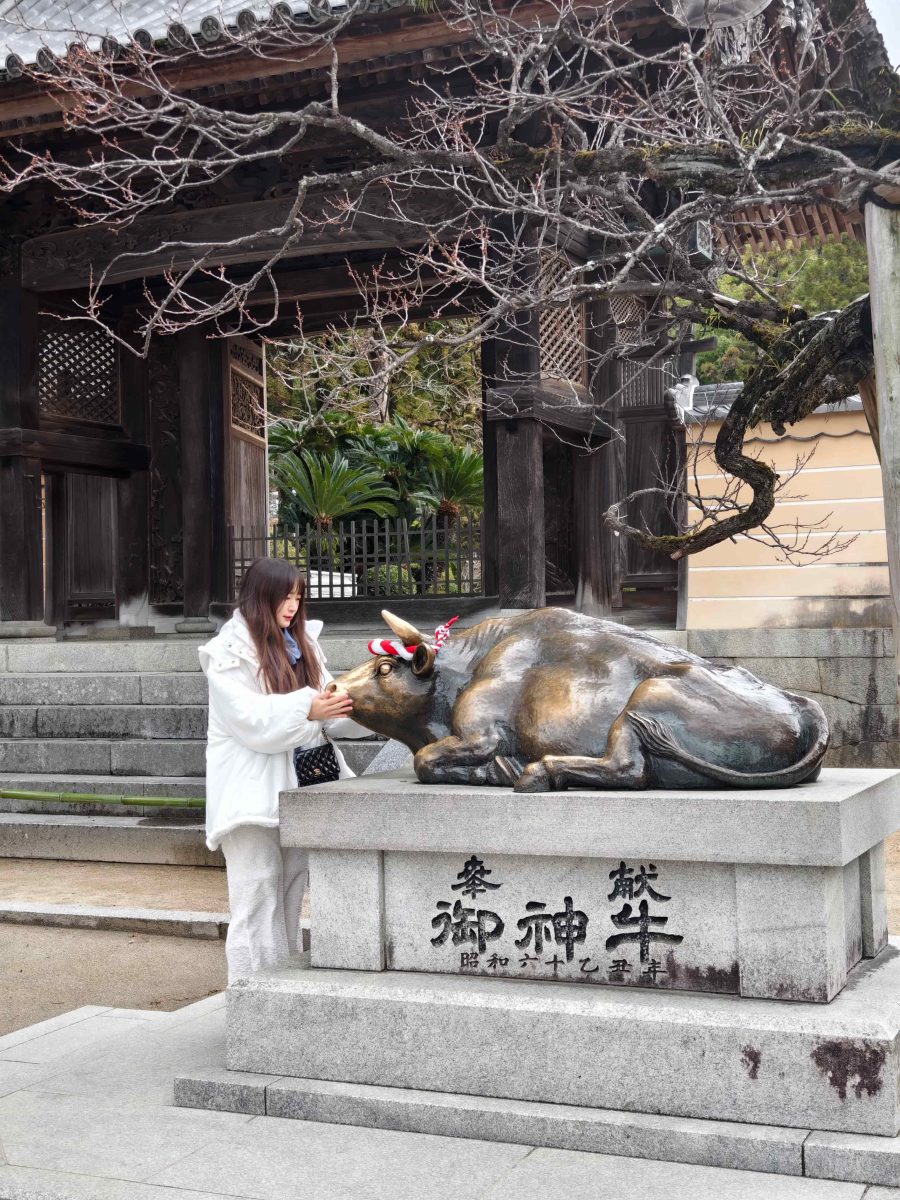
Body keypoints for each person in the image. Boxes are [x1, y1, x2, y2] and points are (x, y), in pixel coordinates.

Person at [199, 557, 368, 982]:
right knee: (256, 889)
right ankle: (250, 992)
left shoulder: (303, 645)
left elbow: (331, 714)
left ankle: (283, 988)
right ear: (261, 596)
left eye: (297, 596)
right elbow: (249, 720)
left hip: (302, 786)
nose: (292, 605)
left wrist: (372, 699)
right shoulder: (227, 653)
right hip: (250, 795)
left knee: (292, 888)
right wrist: (306, 707)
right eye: (285, 596)